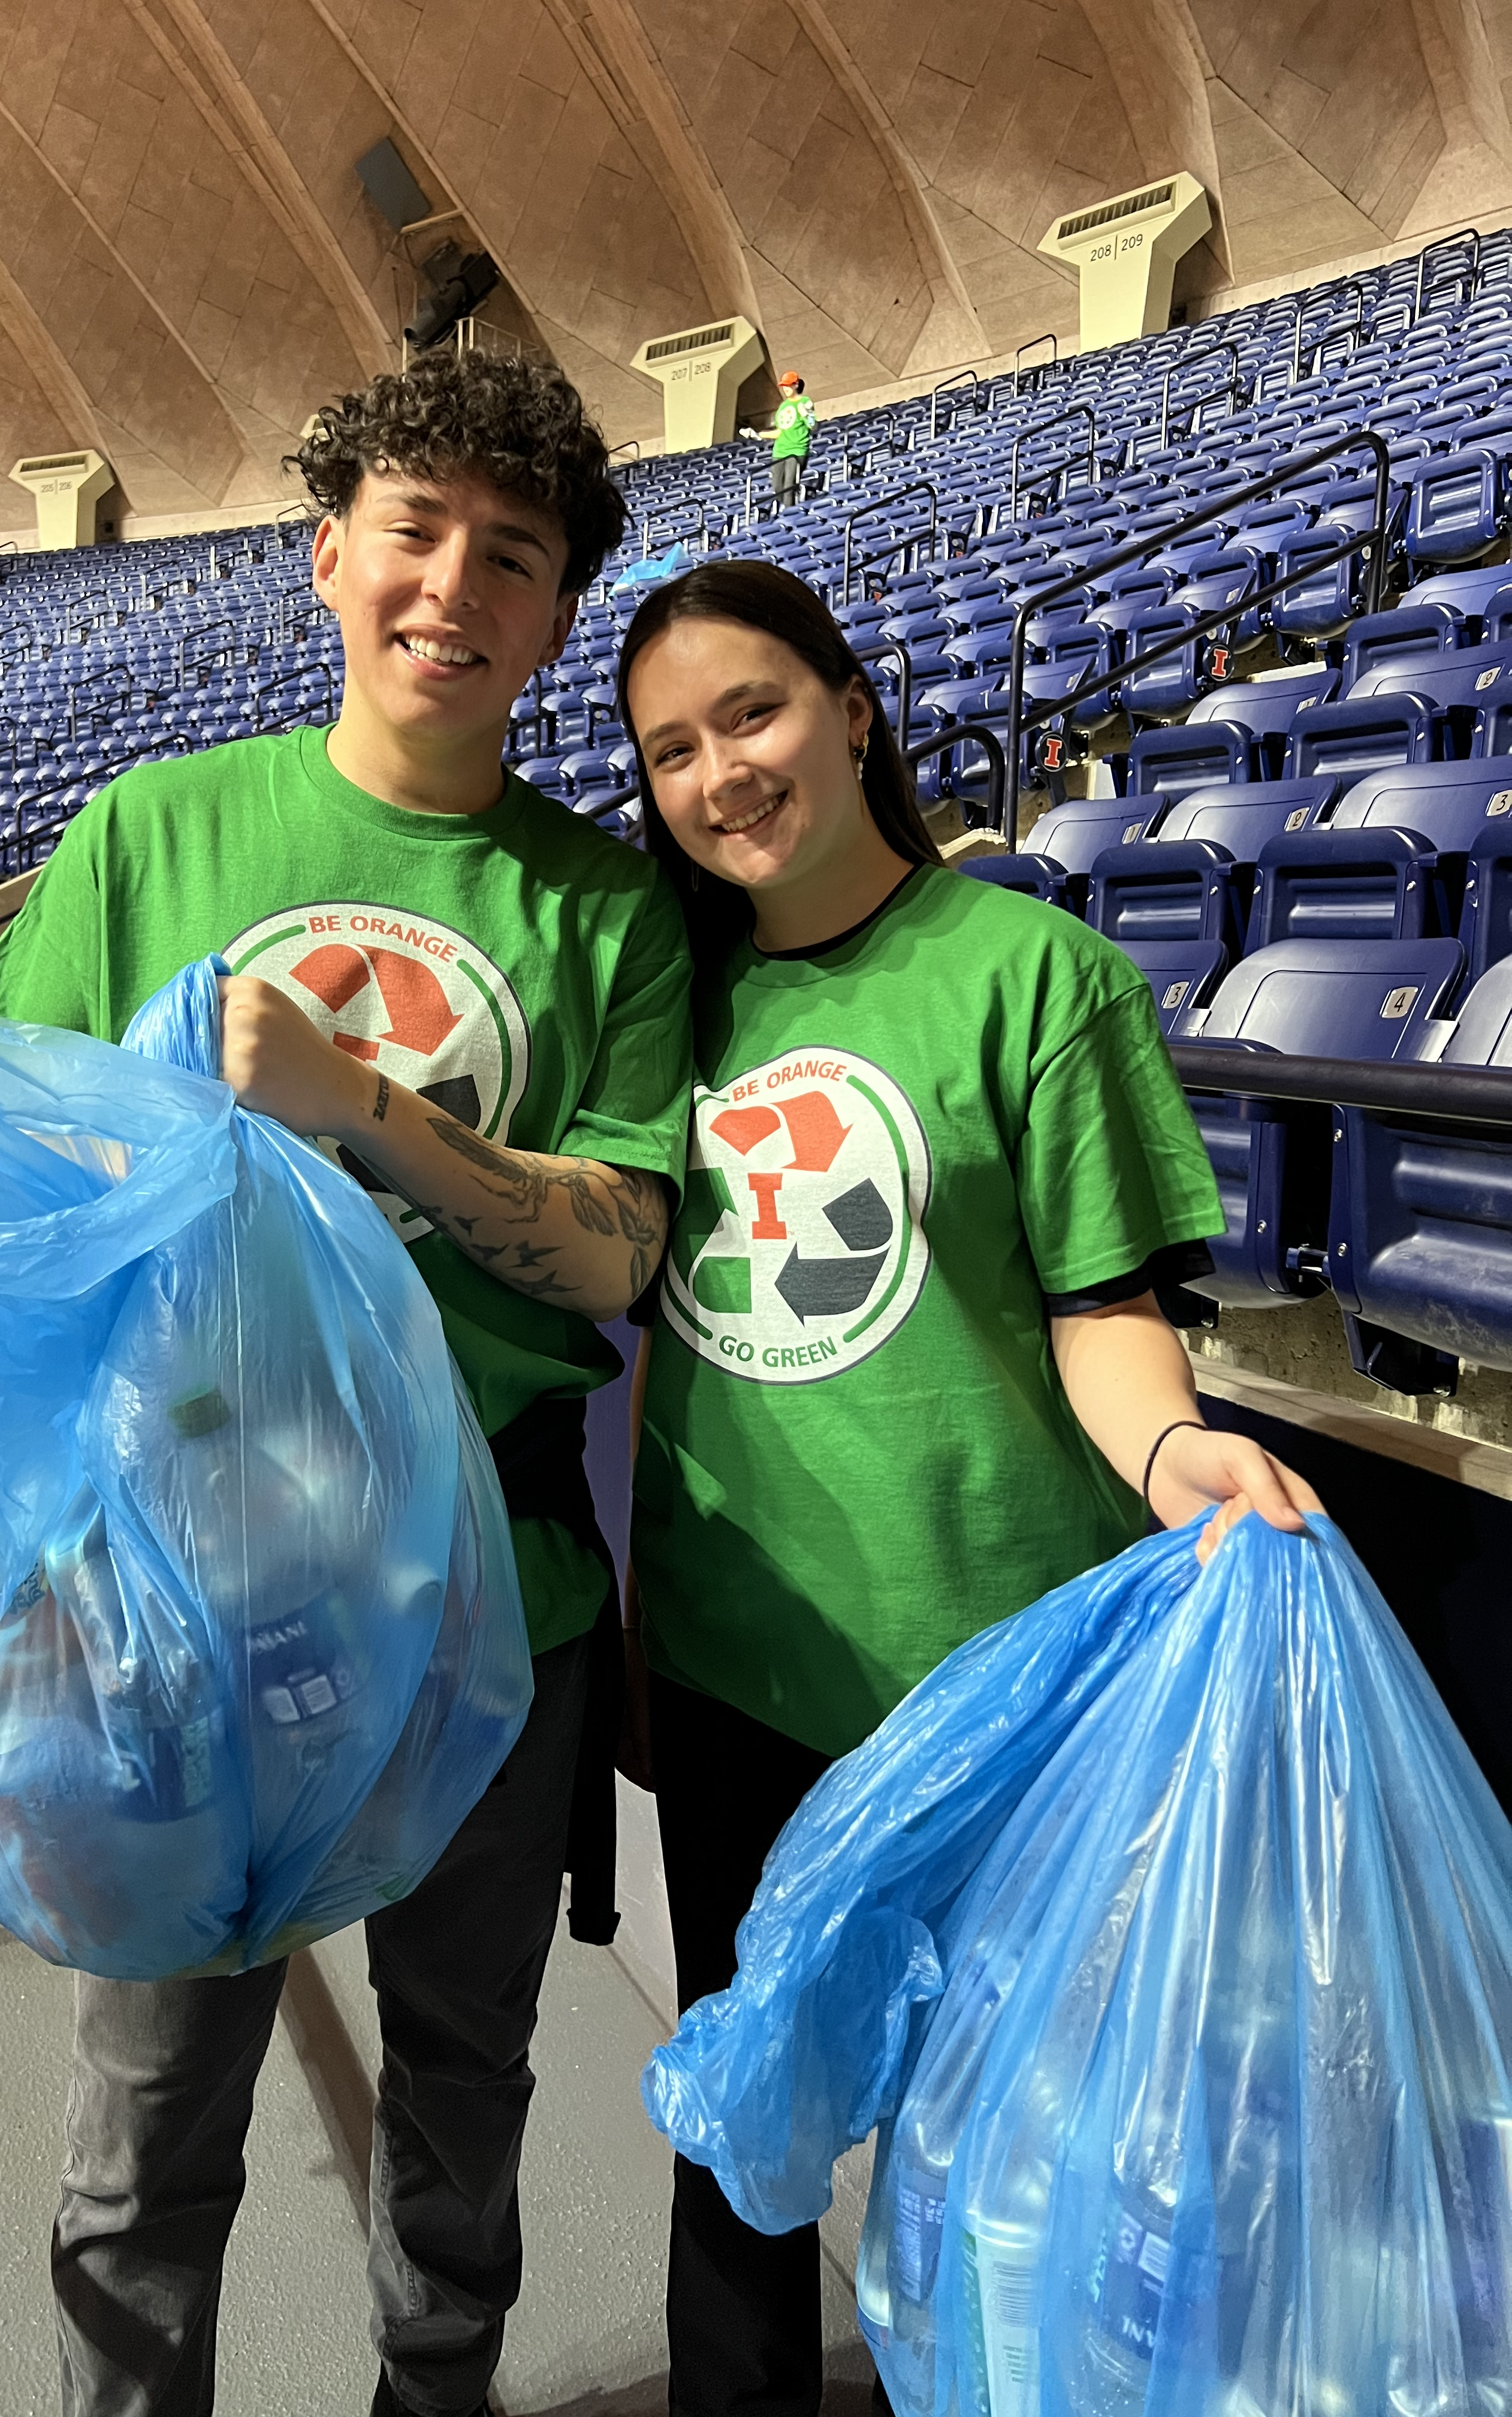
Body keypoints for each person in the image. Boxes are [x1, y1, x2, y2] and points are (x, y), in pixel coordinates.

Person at [0, 351, 695, 2417]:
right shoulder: (147, 836)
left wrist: (358, 1096)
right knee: (145, 2120)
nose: (454, 583)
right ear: (325, 559)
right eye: (415, 530)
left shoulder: (608, 910)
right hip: (181, 1603)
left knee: (460, 2100)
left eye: (513, 554)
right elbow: (10, 1182)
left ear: (557, 616)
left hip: (493, 1606)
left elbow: (625, 1246)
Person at [611, 560, 1321, 2417]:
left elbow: (1104, 1311)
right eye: (673, 750)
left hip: (1005, 1689)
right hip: (738, 1667)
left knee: (1013, 2144)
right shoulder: (655, 1011)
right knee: (745, 2139)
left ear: (856, 710)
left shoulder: (1040, 978)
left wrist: (1173, 1451)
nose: (722, 774)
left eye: (752, 714)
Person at [768, 372, 816, 509]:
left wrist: (806, 414)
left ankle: (790, 514)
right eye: (784, 386)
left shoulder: (805, 401)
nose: (786, 389)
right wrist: (759, 434)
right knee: (778, 487)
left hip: (796, 450)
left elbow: (813, 425)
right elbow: (780, 431)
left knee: (789, 486)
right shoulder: (783, 406)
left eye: (788, 385)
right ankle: (786, 512)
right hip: (780, 450)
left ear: (796, 385)